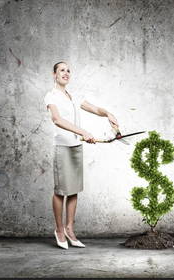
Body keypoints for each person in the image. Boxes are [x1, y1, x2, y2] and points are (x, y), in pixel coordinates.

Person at [43, 61, 119, 249]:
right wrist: (83, 131)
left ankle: (70, 229)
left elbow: (95, 109)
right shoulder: (51, 96)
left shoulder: (74, 96)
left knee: (74, 189)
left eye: (69, 70)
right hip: (62, 146)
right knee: (61, 191)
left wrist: (108, 113)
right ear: (54, 74)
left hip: (77, 146)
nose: (66, 73)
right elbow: (57, 119)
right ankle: (59, 230)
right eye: (62, 70)